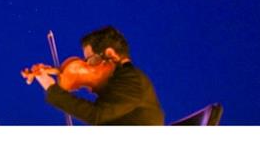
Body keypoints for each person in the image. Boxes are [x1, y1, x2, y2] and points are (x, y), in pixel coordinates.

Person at [31, 25, 164, 125]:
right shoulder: (117, 81)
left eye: (92, 60)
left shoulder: (131, 79)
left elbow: (97, 115)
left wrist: (51, 87)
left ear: (111, 54)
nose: (89, 68)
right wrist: (58, 73)